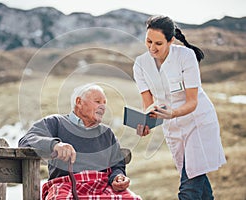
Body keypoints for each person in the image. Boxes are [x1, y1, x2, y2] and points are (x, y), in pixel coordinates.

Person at [132, 15, 226, 199]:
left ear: (171, 40)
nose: (152, 48)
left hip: (197, 123)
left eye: (158, 43)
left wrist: (172, 113)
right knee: (196, 176)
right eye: (148, 41)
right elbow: (148, 103)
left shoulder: (185, 57)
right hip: (174, 129)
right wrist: (145, 122)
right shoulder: (140, 64)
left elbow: (192, 101)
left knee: (189, 188)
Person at [18, 83, 141, 200]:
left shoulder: (107, 133)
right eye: (97, 101)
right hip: (65, 185)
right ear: (79, 102)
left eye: (104, 103)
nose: (103, 106)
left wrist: (117, 177)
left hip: (102, 186)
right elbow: (26, 140)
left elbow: (117, 165)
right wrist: (54, 145)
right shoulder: (56, 122)